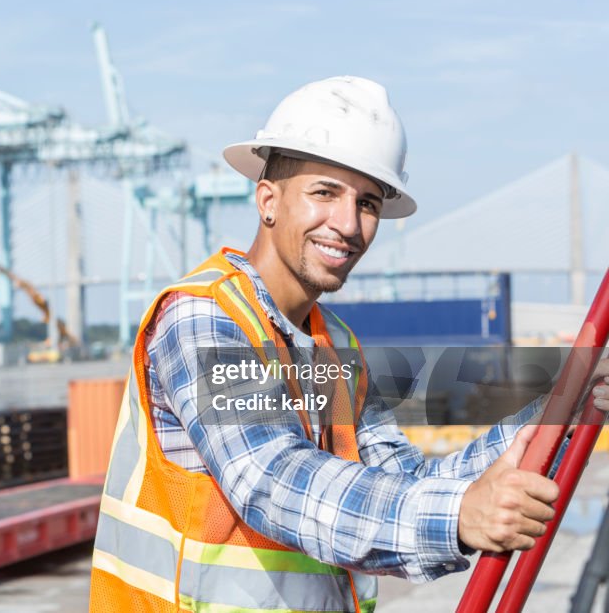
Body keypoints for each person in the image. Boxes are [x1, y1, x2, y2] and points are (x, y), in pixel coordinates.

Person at [89, 75, 609, 612]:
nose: (348, 224)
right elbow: (271, 478)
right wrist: (457, 515)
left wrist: (558, 411)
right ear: (268, 200)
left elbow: (401, 482)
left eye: (366, 203)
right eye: (324, 193)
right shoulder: (203, 317)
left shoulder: (332, 346)